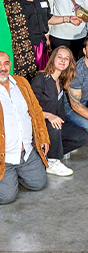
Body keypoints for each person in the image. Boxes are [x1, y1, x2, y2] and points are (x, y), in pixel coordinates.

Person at [0, 51, 50, 204]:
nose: (3, 68)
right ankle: (8, 176)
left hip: (25, 153)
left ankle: (14, 176)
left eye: (6, 63)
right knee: (7, 197)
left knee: (39, 183)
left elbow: (36, 111)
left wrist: (43, 138)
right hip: (4, 157)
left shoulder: (21, 83)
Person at [32, 47, 88, 177]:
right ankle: (52, 162)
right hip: (39, 125)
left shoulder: (61, 82)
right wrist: (48, 115)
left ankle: (46, 156)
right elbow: (29, 108)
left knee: (83, 137)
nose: (63, 60)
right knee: (54, 124)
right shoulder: (40, 78)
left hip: (54, 126)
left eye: (66, 58)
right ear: (53, 59)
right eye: (60, 57)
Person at [1, 0, 49, 79]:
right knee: (23, 81)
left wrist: (67, 19)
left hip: (41, 45)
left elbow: (47, 17)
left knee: (40, 80)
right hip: (21, 47)